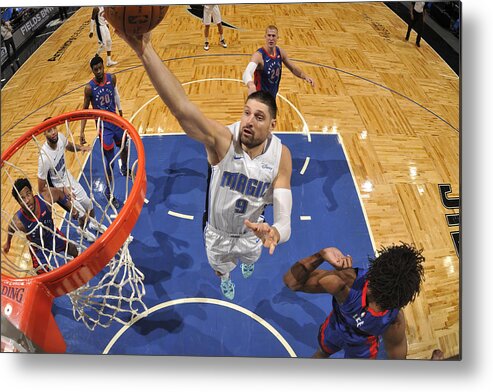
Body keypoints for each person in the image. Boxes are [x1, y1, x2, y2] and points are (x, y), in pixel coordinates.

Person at [117, 30, 293, 301]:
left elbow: (284, 219)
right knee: (220, 269)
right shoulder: (222, 141)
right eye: (246, 112)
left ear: (272, 125)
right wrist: (145, 51)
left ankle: (245, 262)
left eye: (259, 117)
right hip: (217, 232)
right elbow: (182, 108)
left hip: (253, 231)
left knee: (250, 259)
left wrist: (276, 232)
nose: (248, 121)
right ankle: (225, 277)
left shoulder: (281, 156)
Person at [283, 243, 427, 359]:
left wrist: (320, 255)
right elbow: (291, 282)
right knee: (323, 353)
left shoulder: (345, 282)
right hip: (337, 328)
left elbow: (291, 282)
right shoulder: (344, 282)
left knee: (322, 353)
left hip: (360, 343)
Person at [38, 119, 105, 241]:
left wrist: (81, 148)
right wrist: (62, 189)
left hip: (68, 179)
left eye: (54, 128)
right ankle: (82, 230)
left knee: (89, 203)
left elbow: (68, 146)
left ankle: (93, 224)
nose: (53, 132)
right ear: (44, 133)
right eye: (49, 130)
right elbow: (41, 189)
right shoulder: (44, 158)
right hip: (58, 189)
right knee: (81, 215)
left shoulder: (60, 138)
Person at [80, 54, 129, 209]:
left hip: (115, 121)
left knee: (124, 145)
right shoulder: (89, 88)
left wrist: (120, 110)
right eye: (96, 69)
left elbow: (115, 94)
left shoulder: (112, 78)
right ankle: (109, 193)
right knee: (109, 163)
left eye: (101, 67)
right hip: (103, 127)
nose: (99, 71)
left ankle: (125, 168)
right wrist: (81, 132)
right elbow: (84, 110)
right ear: (92, 71)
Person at [3, 178, 79, 274]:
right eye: (22, 198)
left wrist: (72, 209)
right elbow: (10, 229)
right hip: (37, 247)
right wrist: (8, 243)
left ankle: (80, 262)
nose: (27, 200)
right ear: (19, 203)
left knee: (72, 249)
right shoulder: (18, 221)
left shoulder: (46, 198)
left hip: (52, 235)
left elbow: (59, 194)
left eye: (28, 194)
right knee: (41, 273)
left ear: (32, 192)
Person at [242, 25, 315, 98]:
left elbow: (293, 68)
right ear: (265, 37)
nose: (271, 38)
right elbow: (247, 73)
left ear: (277, 38)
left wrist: (305, 76)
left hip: (271, 98)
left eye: (273, 36)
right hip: (260, 98)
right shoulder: (259, 56)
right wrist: (251, 85)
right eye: (269, 35)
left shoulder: (279, 52)